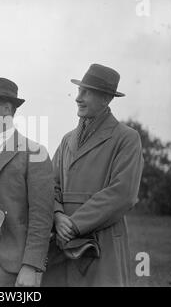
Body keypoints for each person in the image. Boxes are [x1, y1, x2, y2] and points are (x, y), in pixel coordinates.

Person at [42, 64, 144, 287]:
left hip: (101, 245)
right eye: (79, 91)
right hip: (61, 245)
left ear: (106, 98)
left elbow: (123, 193)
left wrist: (74, 225)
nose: (77, 98)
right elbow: (49, 185)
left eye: (86, 92)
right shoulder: (67, 139)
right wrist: (58, 216)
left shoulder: (126, 138)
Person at [0, 77, 54, 287]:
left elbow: (41, 217)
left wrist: (31, 266)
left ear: (7, 108)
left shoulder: (35, 153)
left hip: (11, 264)